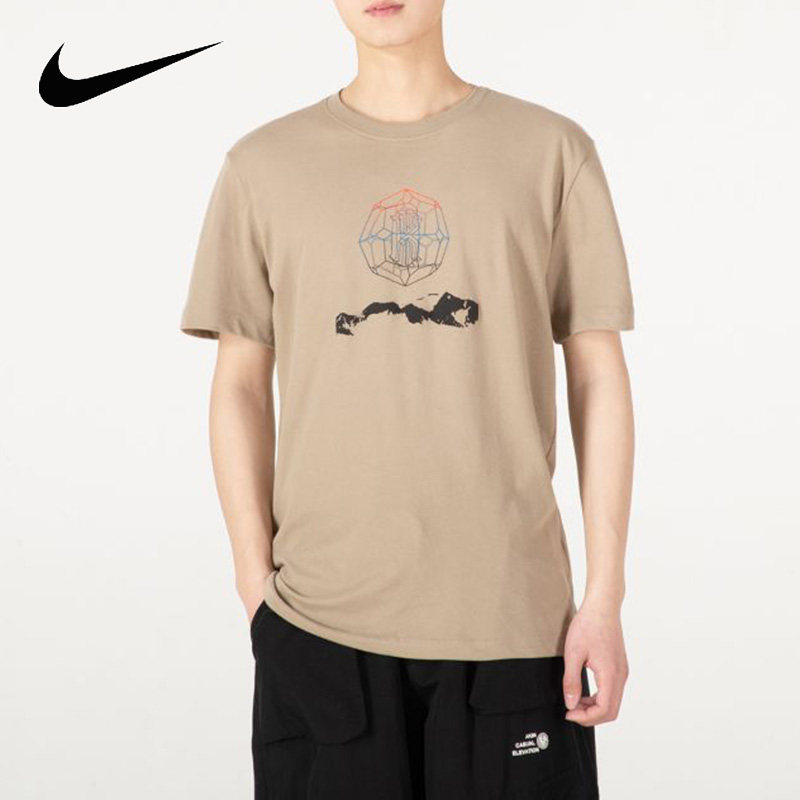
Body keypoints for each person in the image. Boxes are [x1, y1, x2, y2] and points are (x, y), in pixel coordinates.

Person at [180, 1, 634, 797]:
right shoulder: (263, 167)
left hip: (513, 624)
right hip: (319, 627)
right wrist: (257, 594)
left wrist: (604, 597)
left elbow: (597, 374)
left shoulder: (550, 152)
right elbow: (240, 386)